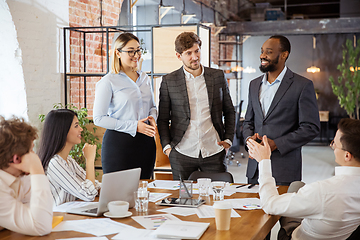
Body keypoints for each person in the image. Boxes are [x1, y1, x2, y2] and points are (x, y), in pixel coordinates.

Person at [247, 118, 360, 240]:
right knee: (297, 186)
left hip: (297, 236)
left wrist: (264, 160)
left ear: (347, 155)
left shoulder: (323, 191)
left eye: (334, 144)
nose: (332, 146)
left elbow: (269, 204)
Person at [243, 35, 320, 186]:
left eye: (269, 52)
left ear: (284, 55)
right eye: (262, 51)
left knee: (280, 210)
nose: (262, 55)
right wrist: (248, 140)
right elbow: (248, 122)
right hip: (255, 170)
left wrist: (276, 144)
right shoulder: (253, 85)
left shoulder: (302, 85)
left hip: (284, 169)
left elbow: (311, 128)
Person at [157, 32, 235, 180]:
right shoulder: (169, 81)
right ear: (179, 56)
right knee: (184, 199)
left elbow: (230, 111)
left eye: (197, 51)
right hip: (181, 153)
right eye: (188, 53)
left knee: (215, 198)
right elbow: (163, 118)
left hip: (214, 150)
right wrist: (167, 148)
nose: (195, 57)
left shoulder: (217, 76)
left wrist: (228, 140)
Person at [93, 32, 157, 179]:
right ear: (118, 53)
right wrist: (135, 126)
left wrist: (152, 117)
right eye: (130, 51)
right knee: (119, 196)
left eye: (138, 50)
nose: (136, 55)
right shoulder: (108, 82)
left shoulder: (145, 78)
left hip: (146, 144)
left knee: (144, 192)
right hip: (119, 146)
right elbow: (99, 118)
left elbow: (153, 106)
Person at [0, 116, 52, 236]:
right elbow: (41, 226)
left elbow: (42, 212)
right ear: (17, 158)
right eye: (31, 151)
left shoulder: (19, 177)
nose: (35, 155)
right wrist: (37, 168)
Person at [38, 109, 100, 206]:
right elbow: (88, 194)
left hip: (70, 214)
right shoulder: (55, 163)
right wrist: (90, 160)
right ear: (62, 130)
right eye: (76, 126)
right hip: (59, 217)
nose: (81, 129)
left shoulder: (68, 160)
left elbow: (91, 185)